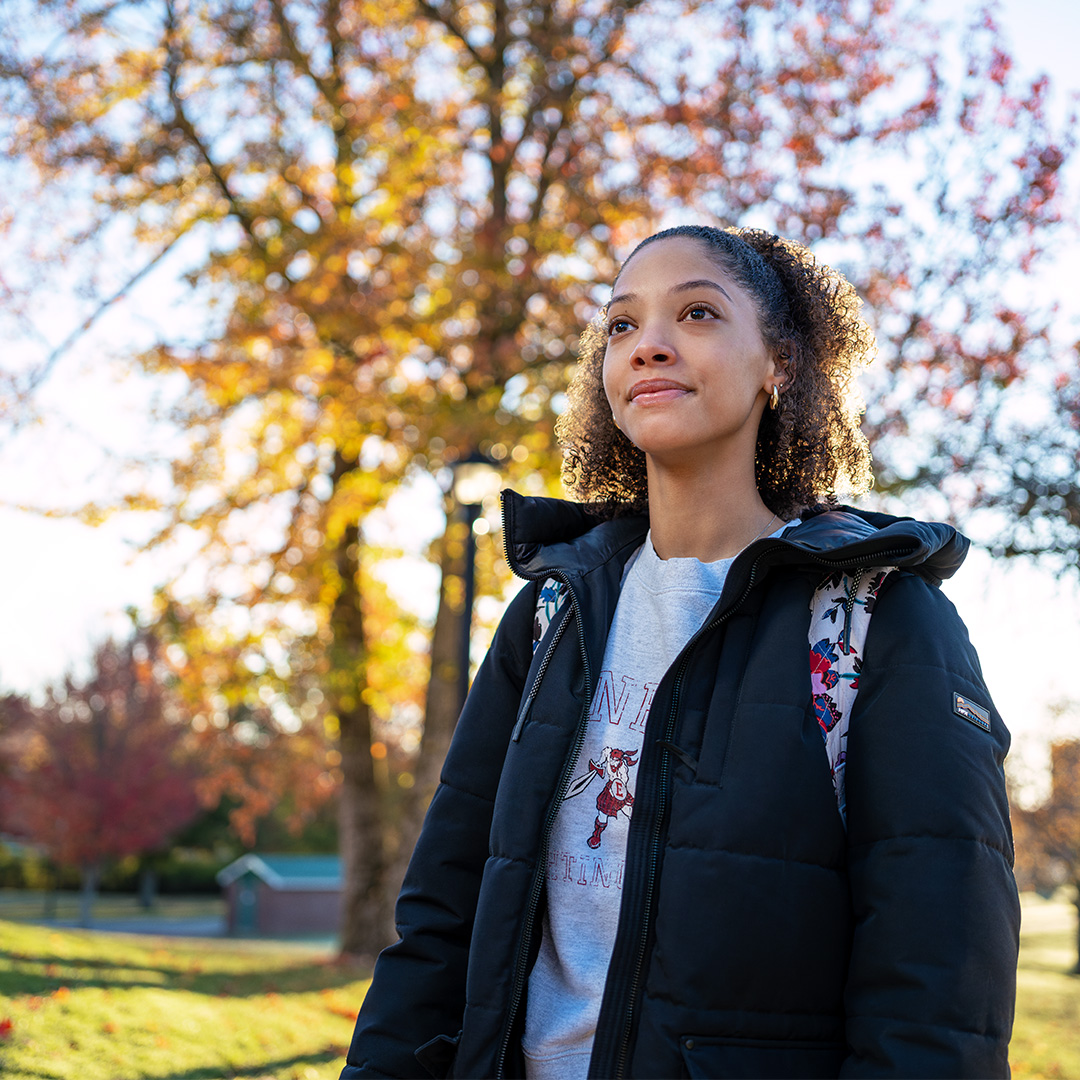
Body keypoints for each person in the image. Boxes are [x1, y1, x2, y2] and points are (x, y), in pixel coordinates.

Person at [340, 225, 1019, 1079]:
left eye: (697, 313)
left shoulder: (877, 620)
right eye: (621, 326)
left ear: (780, 364)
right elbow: (442, 917)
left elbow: (938, 987)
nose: (648, 345)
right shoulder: (550, 612)